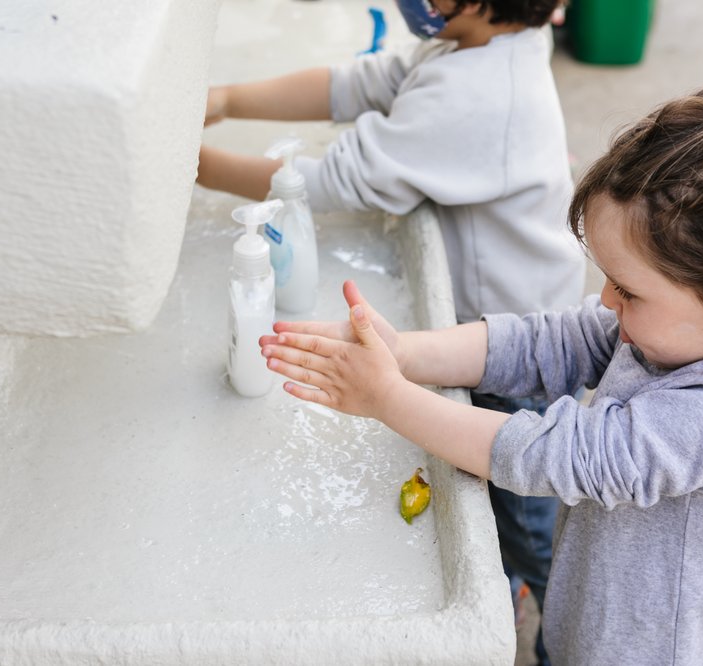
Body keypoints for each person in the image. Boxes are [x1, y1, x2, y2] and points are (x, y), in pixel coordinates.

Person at [258, 85, 703, 663]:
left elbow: (560, 455)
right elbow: (547, 342)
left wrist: (388, 398)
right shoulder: (686, 331)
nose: (607, 302)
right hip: (587, 631)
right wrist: (406, 354)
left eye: (629, 290)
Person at [199, 0, 584, 661]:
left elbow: (326, 183)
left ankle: (566, 625)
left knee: (525, 513)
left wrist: (189, 163)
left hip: (511, 353)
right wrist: (227, 97)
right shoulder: (480, 44)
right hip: (517, 312)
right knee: (503, 508)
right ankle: (524, 584)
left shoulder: (477, 92)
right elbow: (358, 85)